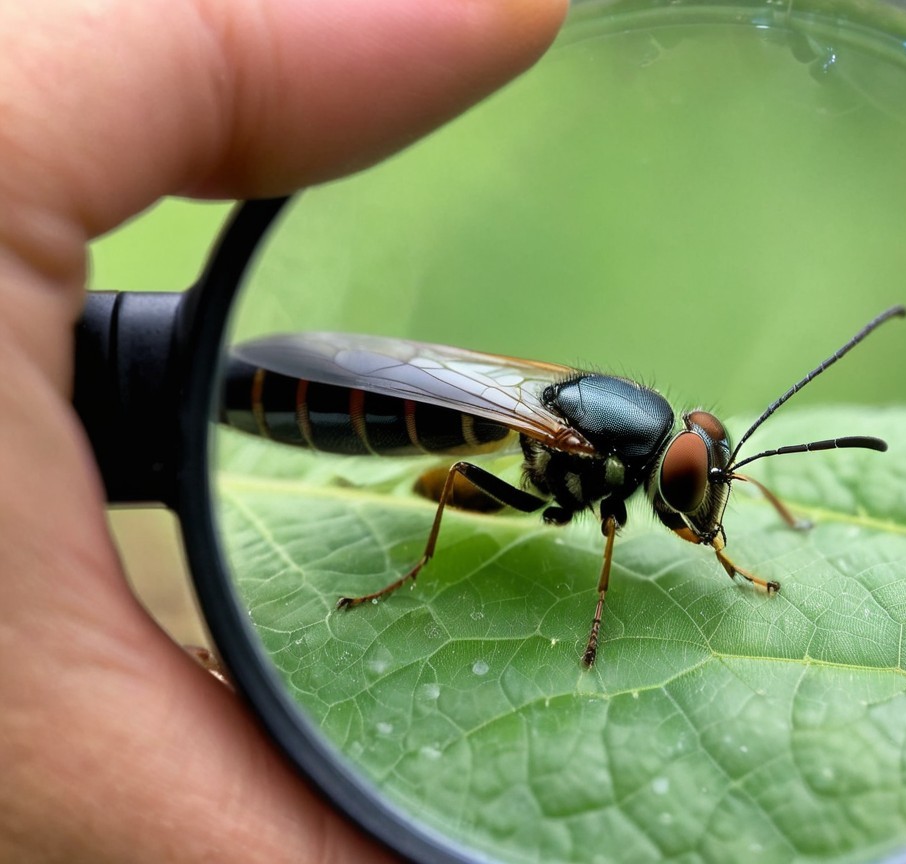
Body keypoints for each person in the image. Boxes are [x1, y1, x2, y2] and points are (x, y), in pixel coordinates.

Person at [0, 1, 566, 860]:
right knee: (453, 466)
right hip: (365, 395)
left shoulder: (576, 423)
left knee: (456, 465)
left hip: (405, 397)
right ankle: (414, 561)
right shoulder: (569, 441)